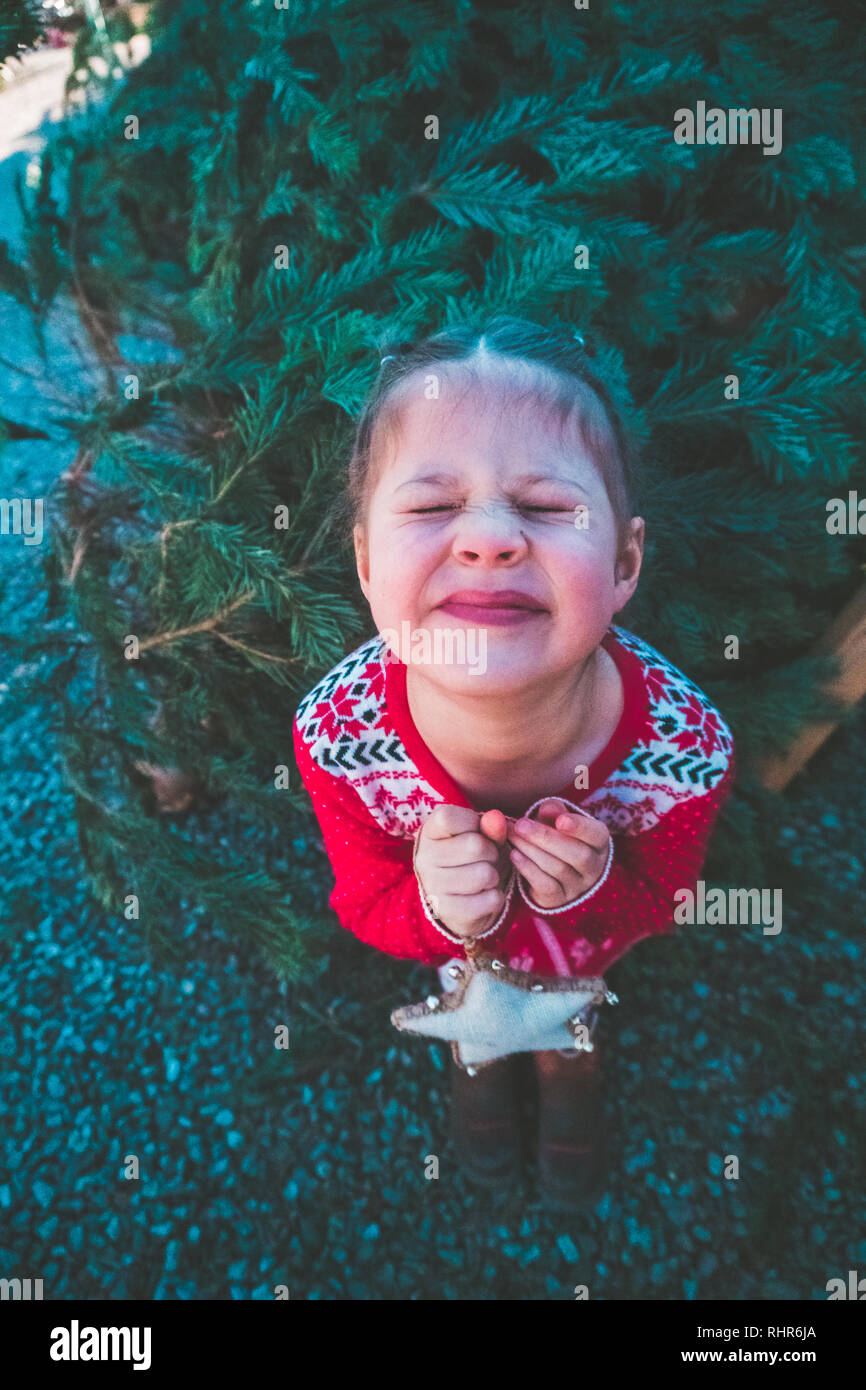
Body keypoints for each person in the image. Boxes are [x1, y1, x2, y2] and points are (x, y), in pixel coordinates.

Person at [293, 315, 736, 1210]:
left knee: (569, 1038)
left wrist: (596, 886)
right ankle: (480, 1081)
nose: (490, 539)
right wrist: (433, 907)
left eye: (545, 507)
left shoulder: (684, 750)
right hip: (459, 968)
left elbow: (665, 900)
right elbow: (366, 905)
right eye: (431, 508)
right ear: (367, 563)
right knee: (478, 1036)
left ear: (625, 561)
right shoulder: (338, 737)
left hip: (581, 967)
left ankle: (570, 1087)